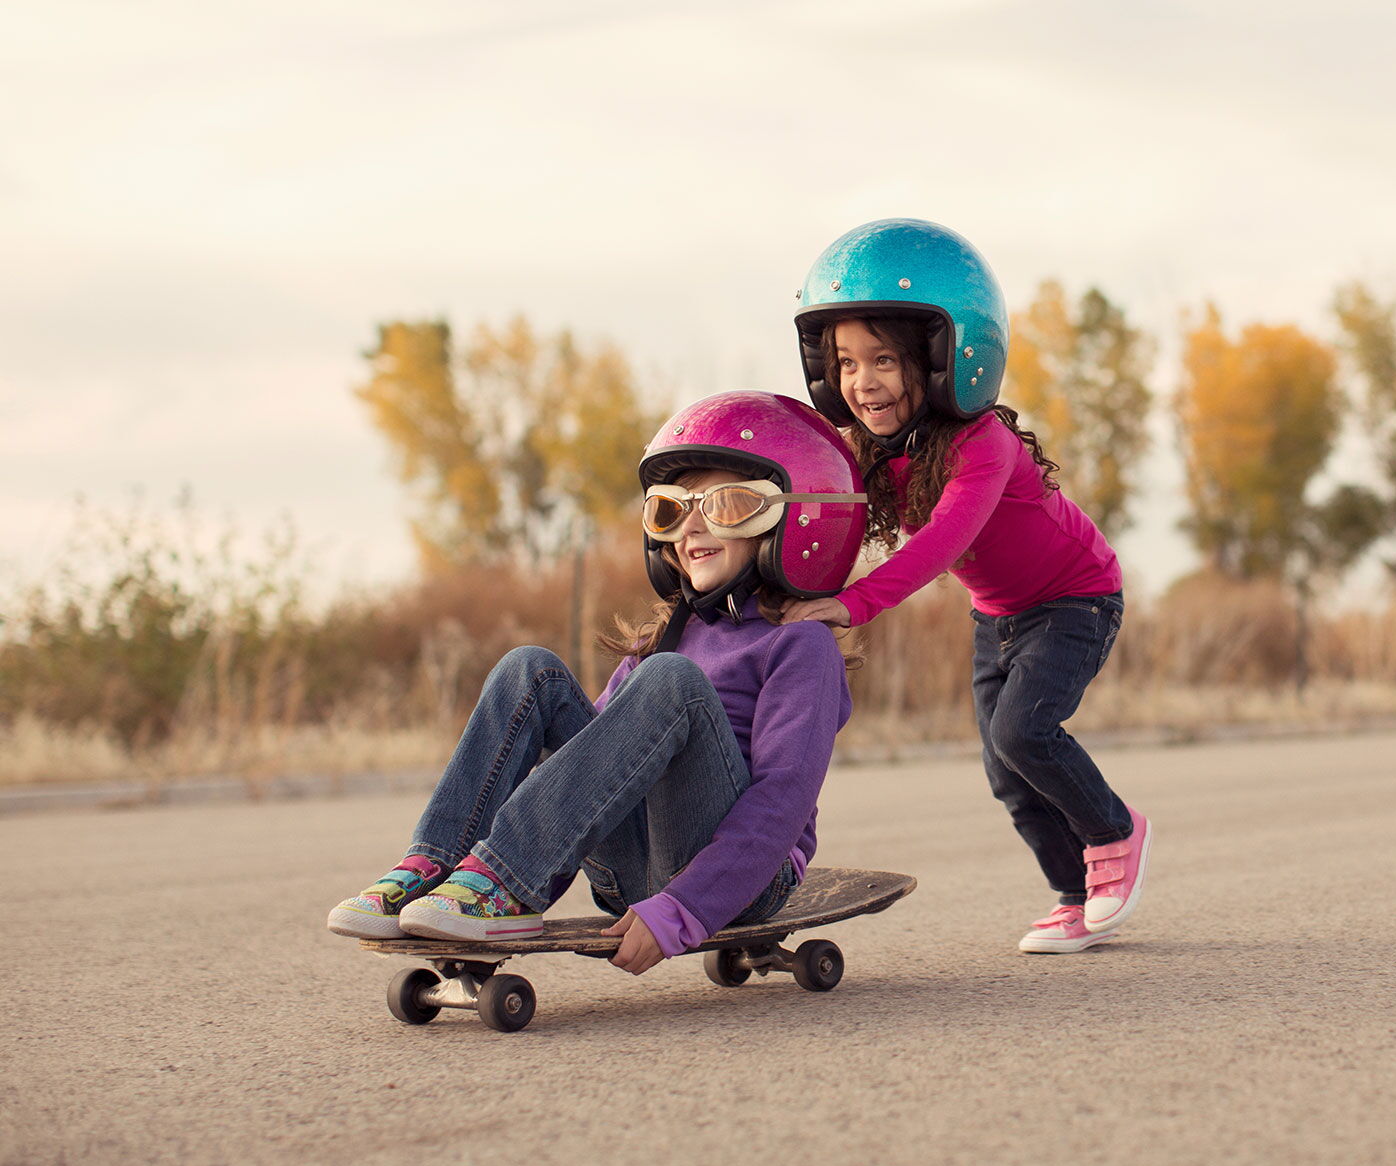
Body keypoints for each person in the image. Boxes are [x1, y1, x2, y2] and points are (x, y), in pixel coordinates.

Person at [326, 391, 869, 975]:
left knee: (671, 682)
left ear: (797, 516)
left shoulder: (799, 644)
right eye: (670, 510)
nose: (690, 528)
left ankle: (501, 880)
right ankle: (439, 867)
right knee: (528, 669)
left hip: (744, 878)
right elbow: (587, 776)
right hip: (630, 870)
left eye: (726, 505)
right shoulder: (664, 641)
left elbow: (782, 802)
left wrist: (684, 911)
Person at [783, 217, 1153, 954]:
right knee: (1006, 772)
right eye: (847, 362)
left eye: (882, 359)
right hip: (1000, 615)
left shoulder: (984, 444)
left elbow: (942, 541)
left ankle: (1117, 831)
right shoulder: (877, 450)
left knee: (1024, 731)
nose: (862, 382)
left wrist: (854, 603)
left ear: (946, 356)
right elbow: (821, 514)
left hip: (1076, 599)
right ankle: (1074, 896)